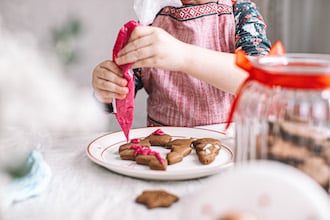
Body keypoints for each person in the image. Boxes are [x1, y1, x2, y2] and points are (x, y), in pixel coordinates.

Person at [92, 0, 271, 127]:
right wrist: (107, 89)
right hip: (162, 149)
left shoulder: (240, 12)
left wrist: (183, 56)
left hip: (226, 149)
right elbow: (123, 93)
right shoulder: (150, 21)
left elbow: (259, 79)